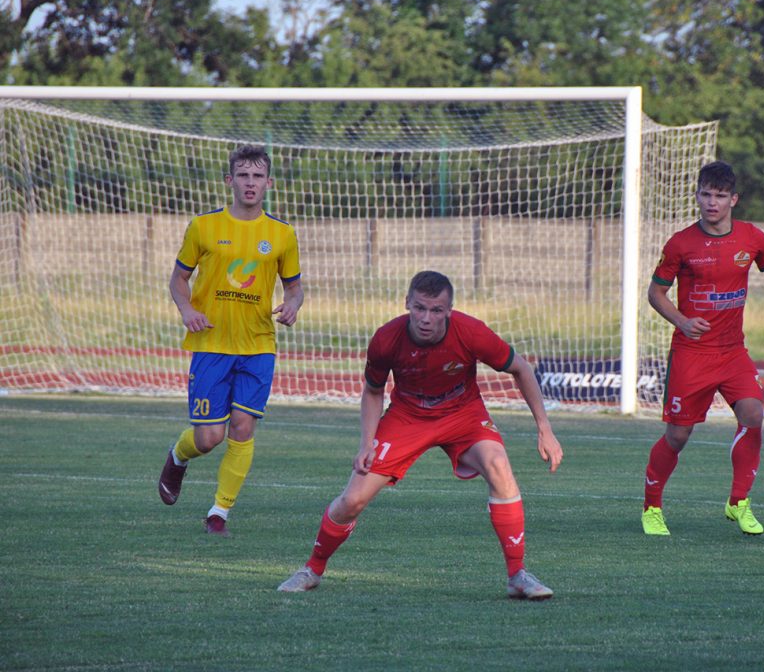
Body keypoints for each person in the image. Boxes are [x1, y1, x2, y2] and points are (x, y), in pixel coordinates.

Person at [277, 270, 563, 599]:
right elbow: (373, 391)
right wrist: (366, 444)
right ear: (407, 304)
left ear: (449, 310)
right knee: (353, 499)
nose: (427, 318)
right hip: (407, 416)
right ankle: (312, 569)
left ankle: (517, 575)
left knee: (499, 465)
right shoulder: (386, 339)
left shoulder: (471, 332)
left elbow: (521, 368)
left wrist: (544, 428)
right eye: (420, 308)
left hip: (463, 414)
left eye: (436, 310)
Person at [642, 160, 764, 536]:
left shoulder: (751, 237)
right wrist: (681, 321)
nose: (712, 202)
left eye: (720, 195)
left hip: (732, 352)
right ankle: (652, 508)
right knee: (677, 436)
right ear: (697, 196)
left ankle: (738, 501)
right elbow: (655, 293)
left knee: (753, 413)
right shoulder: (680, 244)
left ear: (734, 199)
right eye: (706, 194)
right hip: (692, 354)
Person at [157, 145, 303, 537]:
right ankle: (178, 455)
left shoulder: (282, 234)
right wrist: (187, 309)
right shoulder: (203, 227)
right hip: (211, 344)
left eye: (257, 176)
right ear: (229, 180)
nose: (250, 183)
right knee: (209, 437)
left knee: (242, 426)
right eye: (243, 175)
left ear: (269, 183)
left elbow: (294, 287)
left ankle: (219, 512)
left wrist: (292, 305)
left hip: (258, 346)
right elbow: (178, 279)